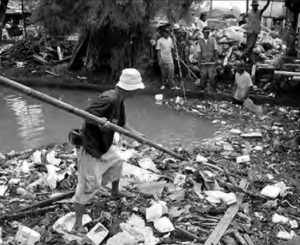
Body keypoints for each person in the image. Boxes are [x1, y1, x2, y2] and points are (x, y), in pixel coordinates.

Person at [72, 68, 145, 236]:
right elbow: (86, 115)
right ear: (130, 88)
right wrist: (98, 122)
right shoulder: (109, 98)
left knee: (117, 162)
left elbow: (122, 124)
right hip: (91, 147)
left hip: (104, 145)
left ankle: (114, 192)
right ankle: (77, 224)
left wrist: (136, 135)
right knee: (88, 186)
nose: (137, 92)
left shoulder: (119, 101)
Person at [197, 26, 218, 92]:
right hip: (203, 62)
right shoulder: (200, 41)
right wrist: (199, 62)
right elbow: (199, 53)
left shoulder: (213, 40)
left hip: (211, 62)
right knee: (203, 76)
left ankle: (213, 89)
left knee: (212, 76)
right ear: (203, 32)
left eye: (208, 32)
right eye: (206, 32)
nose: (207, 34)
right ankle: (202, 89)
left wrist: (216, 59)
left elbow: (215, 50)